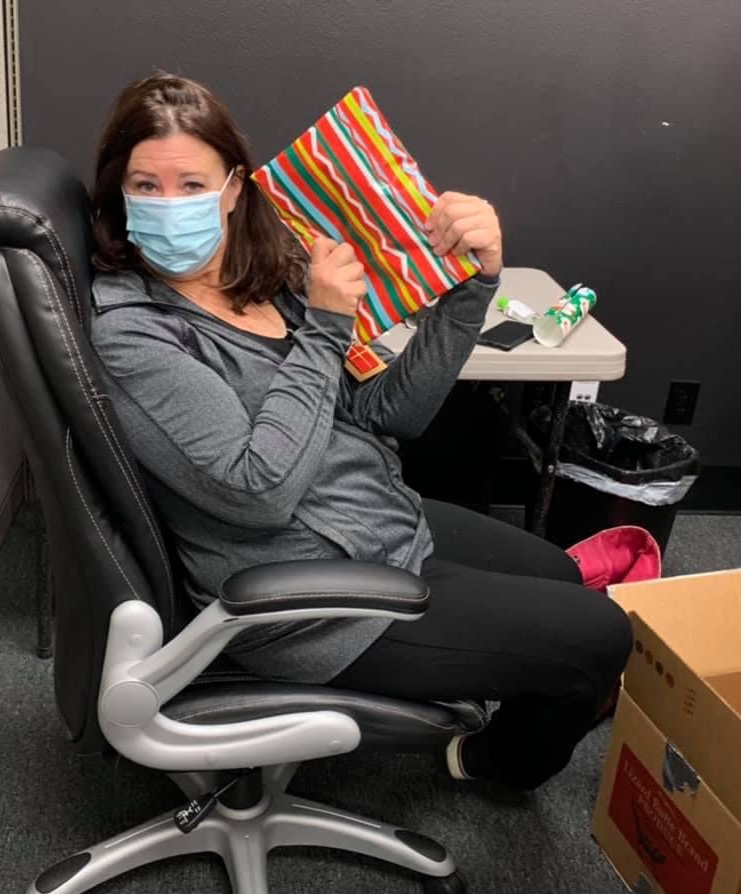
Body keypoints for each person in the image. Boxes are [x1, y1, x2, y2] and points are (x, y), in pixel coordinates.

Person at [88, 72, 632, 791]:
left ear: (234, 189)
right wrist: (325, 326)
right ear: (117, 198)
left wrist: (471, 287)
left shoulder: (261, 276)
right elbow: (259, 493)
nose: (167, 206)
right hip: (309, 597)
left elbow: (386, 417)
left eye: (191, 185)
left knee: (561, 574)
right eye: (144, 187)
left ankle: (504, 690)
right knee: (603, 636)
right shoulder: (131, 331)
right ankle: (491, 764)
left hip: (372, 515)